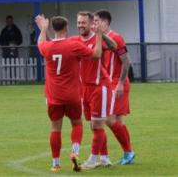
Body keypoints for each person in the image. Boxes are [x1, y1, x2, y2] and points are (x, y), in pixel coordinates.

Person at [35, 14, 103, 172]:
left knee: (55, 129)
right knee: (77, 123)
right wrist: (99, 35)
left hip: (54, 96)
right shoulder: (73, 45)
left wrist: (43, 29)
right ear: (66, 28)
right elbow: (97, 54)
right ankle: (75, 151)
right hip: (72, 95)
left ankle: (55, 164)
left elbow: (40, 42)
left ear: (54, 28)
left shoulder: (47, 47)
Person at [71, 11, 116, 169]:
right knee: (93, 126)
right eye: (78, 22)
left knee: (97, 125)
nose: (80, 25)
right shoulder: (75, 40)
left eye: (83, 22)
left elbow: (113, 46)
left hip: (100, 86)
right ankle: (105, 158)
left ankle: (92, 159)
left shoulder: (96, 38)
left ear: (91, 24)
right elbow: (59, 44)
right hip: (85, 89)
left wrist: (101, 34)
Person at [94, 10, 135, 165]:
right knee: (117, 120)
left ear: (106, 22)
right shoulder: (99, 38)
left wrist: (119, 83)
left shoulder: (116, 37)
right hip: (108, 84)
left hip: (116, 84)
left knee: (107, 119)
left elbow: (126, 61)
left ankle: (128, 152)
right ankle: (128, 153)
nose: (94, 24)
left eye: (97, 21)